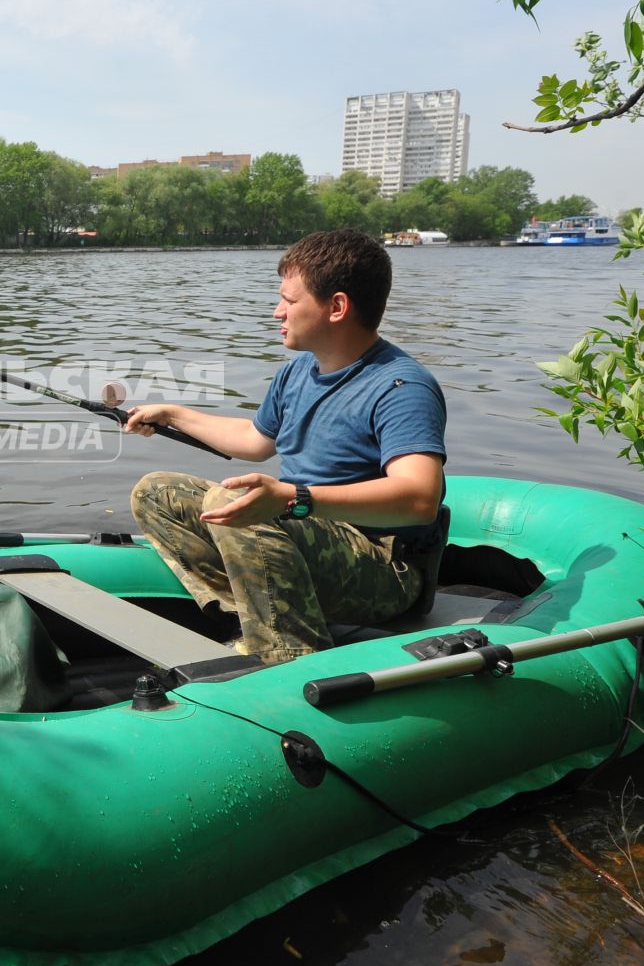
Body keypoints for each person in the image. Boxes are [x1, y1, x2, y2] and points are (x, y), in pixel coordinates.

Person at [123, 229, 447, 665]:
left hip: (385, 569)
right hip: (305, 530)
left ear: (337, 307)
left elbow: (420, 498)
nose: (277, 311)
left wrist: (295, 500)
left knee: (235, 498)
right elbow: (255, 441)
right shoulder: (296, 374)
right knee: (156, 492)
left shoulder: (401, 386)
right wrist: (174, 414)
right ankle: (249, 619)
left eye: (289, 302)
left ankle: (289, 655)